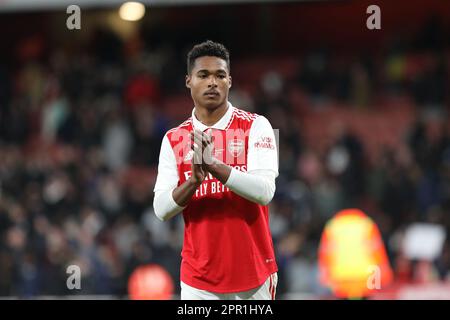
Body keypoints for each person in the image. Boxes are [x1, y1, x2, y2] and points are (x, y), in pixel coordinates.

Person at [153, 40, 279, 300]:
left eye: (220, 75)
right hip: (198, 282)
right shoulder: (174, 138)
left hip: (253, 277)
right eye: (203, 75)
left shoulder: (258, 126)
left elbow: (265, 192)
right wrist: (193, 182)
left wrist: (214, 166)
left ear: (229, 81)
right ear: (189, 81)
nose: (212, 82)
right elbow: (161, 209)